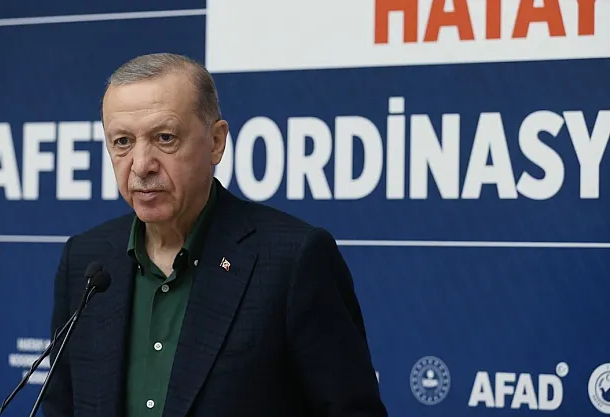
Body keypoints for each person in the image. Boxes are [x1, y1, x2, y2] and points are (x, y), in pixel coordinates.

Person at [42, 53, 388, 417]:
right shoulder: (85, 260)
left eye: (165, 137)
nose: (141, 165)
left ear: (216, 142)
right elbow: (60, 405)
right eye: (122, 141)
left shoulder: (293, 260)